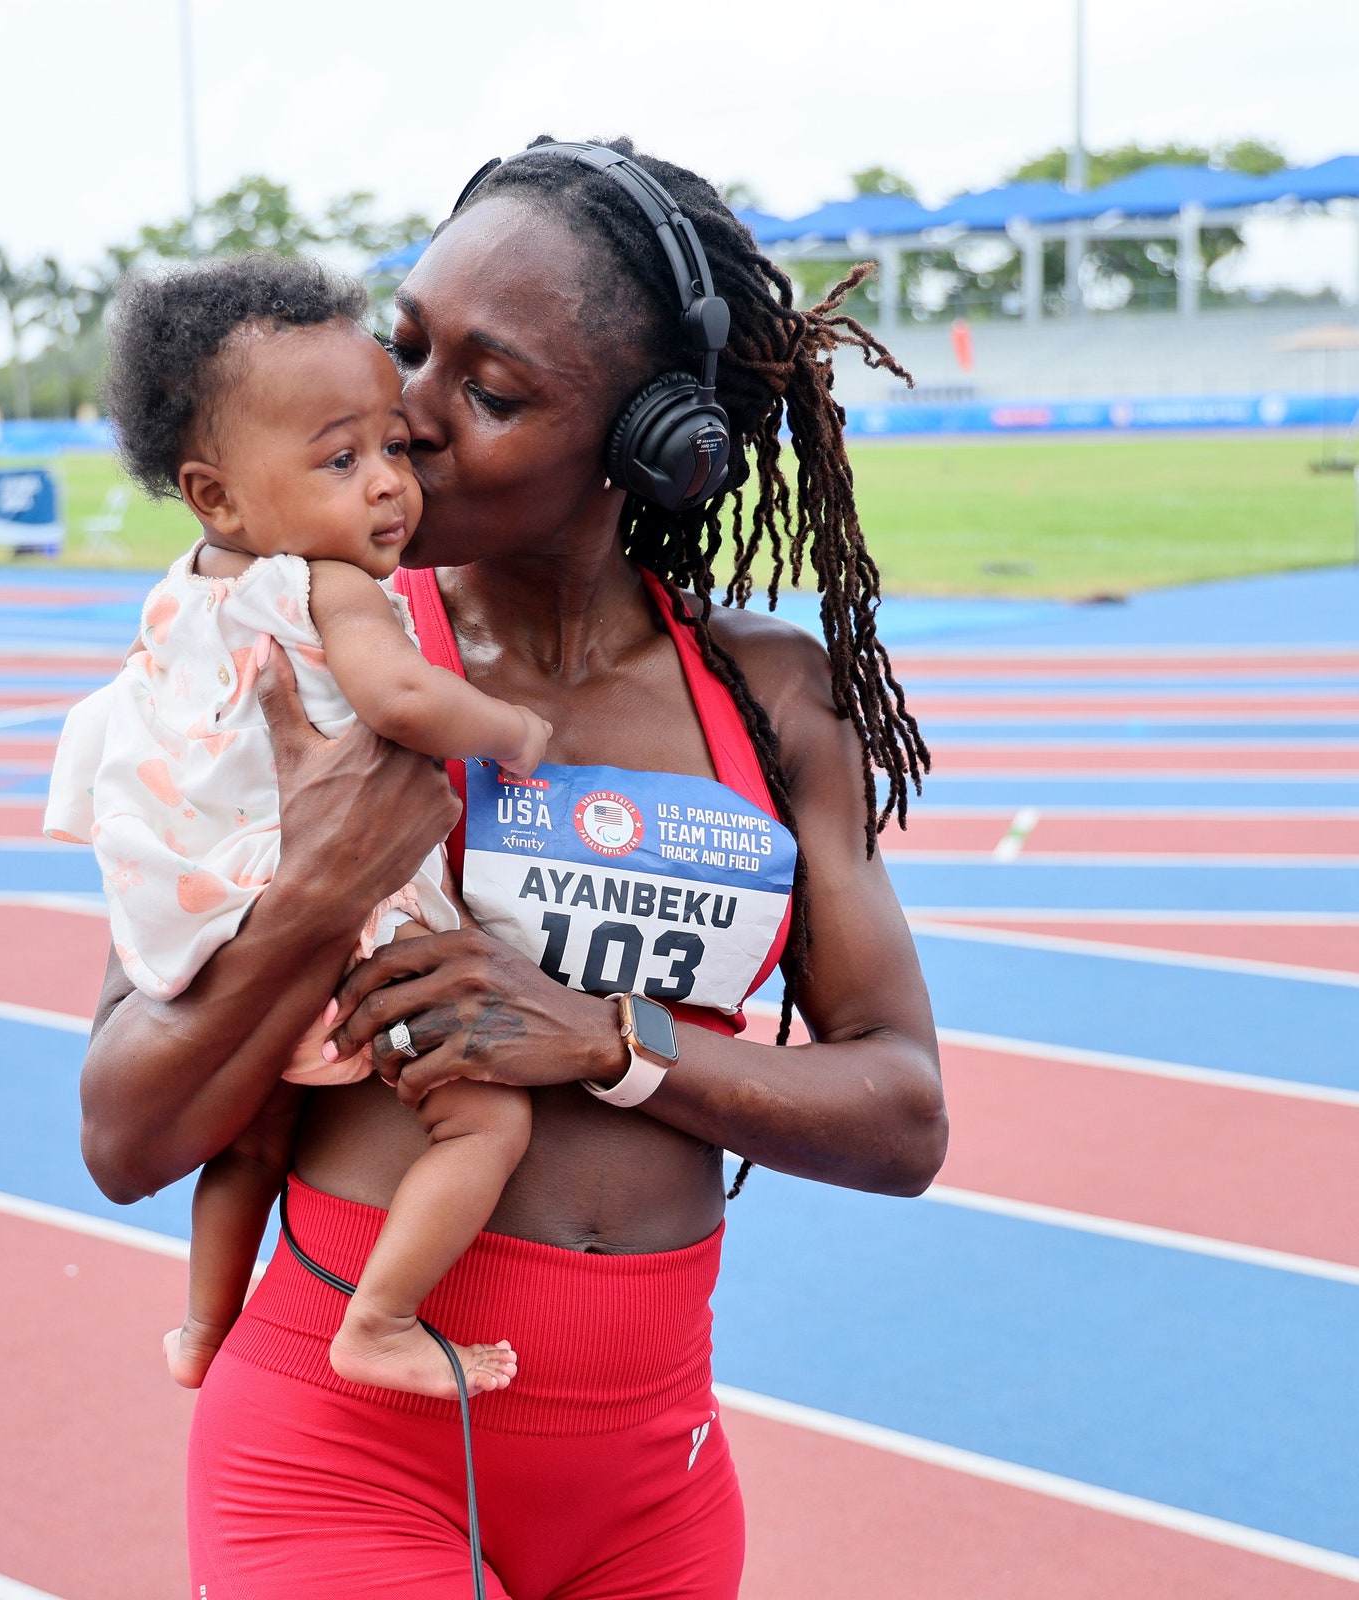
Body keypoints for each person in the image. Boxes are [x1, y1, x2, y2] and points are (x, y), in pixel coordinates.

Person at [79, 136, 948, 1600]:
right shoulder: (282, 657)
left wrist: (610, 1044)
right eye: (405, 344)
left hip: (652, 1481)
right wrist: (318, 890)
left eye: (487, 393)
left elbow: (903, 1111)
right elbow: (124, 1133)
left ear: (652, 443)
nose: (403, 420)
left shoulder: (770, 701)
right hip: (342, 1445)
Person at [47, 255, 546, 1399]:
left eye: (391, 447)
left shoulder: (178, 590)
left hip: (218, 915)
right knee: (484, 1122)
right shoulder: (329, 585)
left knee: (252, 1141)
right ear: (218, 492)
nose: (387, 486)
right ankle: (380, 1318)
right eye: (341, 458)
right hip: (358, 919)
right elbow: (403, 701)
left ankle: (200, 1330)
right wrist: (517, 731)